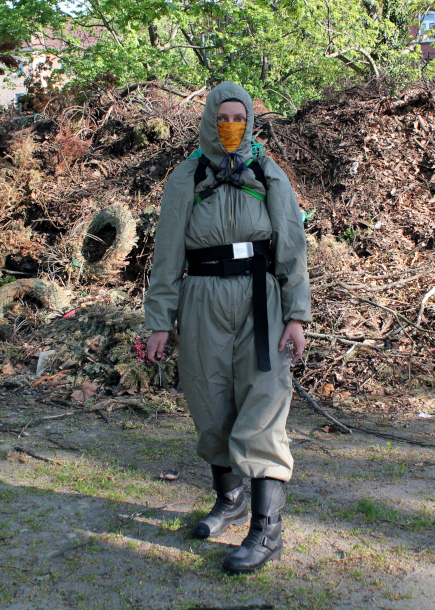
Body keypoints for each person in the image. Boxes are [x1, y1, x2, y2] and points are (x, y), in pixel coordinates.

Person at [144, 82, 311, 573]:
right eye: (223, 117)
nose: (231, 125)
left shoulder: (267, 171)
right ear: (209, 120)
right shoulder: (187, 176)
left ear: (251, 120)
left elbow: (291, 247)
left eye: (240, 117)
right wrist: (160, 321)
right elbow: (168, 252)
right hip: (202, 299)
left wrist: (297, 315)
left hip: (261, 301)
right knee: (209, 401)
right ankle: (230, 498)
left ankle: (266, 531)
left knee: (264, 401)